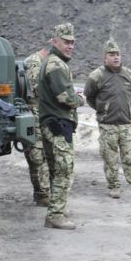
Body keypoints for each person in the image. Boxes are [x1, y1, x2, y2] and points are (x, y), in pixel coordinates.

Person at [84, 39, 131, 201]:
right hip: (107, 126)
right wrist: (103, 109)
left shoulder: (129, 75)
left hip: (125, 125)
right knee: (110, 159)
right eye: (111, 54)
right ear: (105, 57)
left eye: (118, 54)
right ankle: (114, 186)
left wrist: (126, 107)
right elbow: (90, 97)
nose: (115, 57)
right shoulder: (97, 76)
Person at [38, 22, 85, 230]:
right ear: (54, 41)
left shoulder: (52, 62)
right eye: (66, 42)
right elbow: (65, 97)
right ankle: (55, 215)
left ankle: (58, 208)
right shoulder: (56, 65)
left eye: (73, 42)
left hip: (52, 122)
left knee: (56, 169)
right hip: (58, 123)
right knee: (65, 169)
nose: (70, 46)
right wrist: (80, 99)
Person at [23, 43, 51, 206]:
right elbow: (37, 91)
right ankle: (42, 194)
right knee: (37, 156)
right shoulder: (34, 63)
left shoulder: (40, 62)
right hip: (34, 117)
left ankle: (43, 193)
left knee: (43, 156)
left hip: (41, 115)